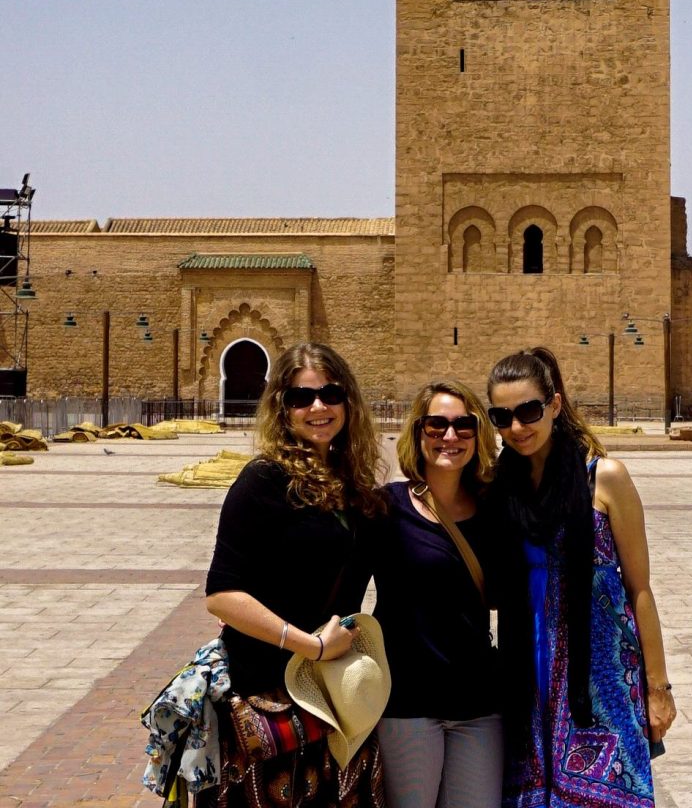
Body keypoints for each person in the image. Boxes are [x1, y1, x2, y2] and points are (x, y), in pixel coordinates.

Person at [487, 345, 674, 808]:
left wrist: (659, 687)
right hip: (525, 675)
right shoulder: (500, 488)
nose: (517, 427)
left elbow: (640, 590)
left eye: (529, 410)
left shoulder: (604, 478)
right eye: (502, 416)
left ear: (555, 404)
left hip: (602, 680)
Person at [204, 341, 386, 804]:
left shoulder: (357, 489)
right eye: (301, 398)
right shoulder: (263, 480)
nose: (318, 407)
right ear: (282, 408)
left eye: (330, 393)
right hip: (270, 698)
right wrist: (312, 646)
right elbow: (222, 594)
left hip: (337, 696)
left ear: (349, 401)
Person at [375, 378, 504, 808]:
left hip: (478, 705)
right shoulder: (387, 509)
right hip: (407, 705)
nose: (450, 437)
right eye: (436, 426)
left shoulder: (495, 511)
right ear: (418, 433)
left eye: (464, 426)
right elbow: (334, 574)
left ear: (479, 434)